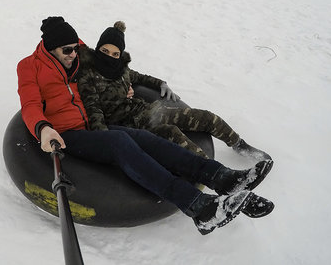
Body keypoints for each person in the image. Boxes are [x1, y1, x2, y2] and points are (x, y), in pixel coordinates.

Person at [17, 16, 274, 235]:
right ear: (51, 49)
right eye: (68, 51)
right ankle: (200, 208)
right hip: (66, 135)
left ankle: (223, 177)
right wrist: (43, 128)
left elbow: (107, 50)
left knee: (146, 139)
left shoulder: (75, 52)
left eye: (76, 48)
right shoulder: (30, 68)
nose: (74, 55)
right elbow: (29, 105)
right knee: (120, 143)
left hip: (93, 125)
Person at [77, 21, 271, 160]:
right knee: (173, 134)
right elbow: (95, 113)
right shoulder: (89, 76)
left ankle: (240, 145)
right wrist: (106, 144)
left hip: (147, 111)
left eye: (115, 53)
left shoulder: (122, 70)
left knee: (204, 117)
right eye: (105, 51)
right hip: (129, 127)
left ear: (120, 55)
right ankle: (215, 173)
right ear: (98, 48)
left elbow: (141, 78)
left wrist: (161, 83)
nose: (109, 57)